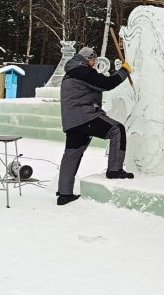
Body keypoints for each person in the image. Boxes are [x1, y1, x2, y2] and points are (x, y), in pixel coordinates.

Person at [56, 47, 133, 206]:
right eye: (94, 60)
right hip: (85, 117)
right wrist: (124, 71)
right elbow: (107, 83)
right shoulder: (83, 71)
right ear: (87, 58)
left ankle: (64, 194)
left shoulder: (70, 73)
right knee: (117, 130)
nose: (94, 64)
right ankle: (114, 170)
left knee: (71, 154)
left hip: (72, 121)